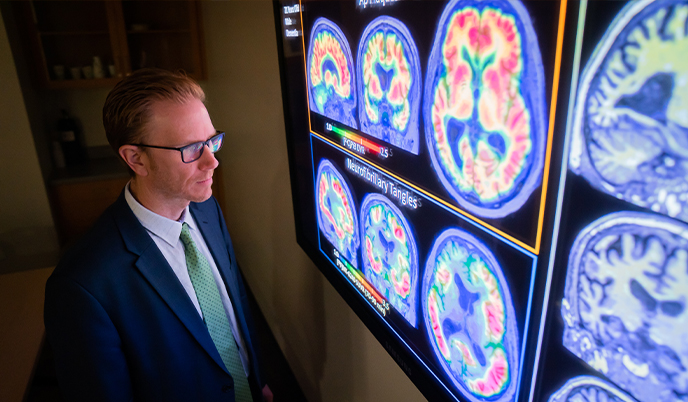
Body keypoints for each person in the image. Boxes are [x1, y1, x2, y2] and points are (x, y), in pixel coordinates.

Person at [44, 69, 272, 402]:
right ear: (135, 158)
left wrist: (257, 379)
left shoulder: (207, 210)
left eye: (212, 141)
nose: (213, 161)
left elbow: (234, 305)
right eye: (193, 148)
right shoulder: (82, 286)